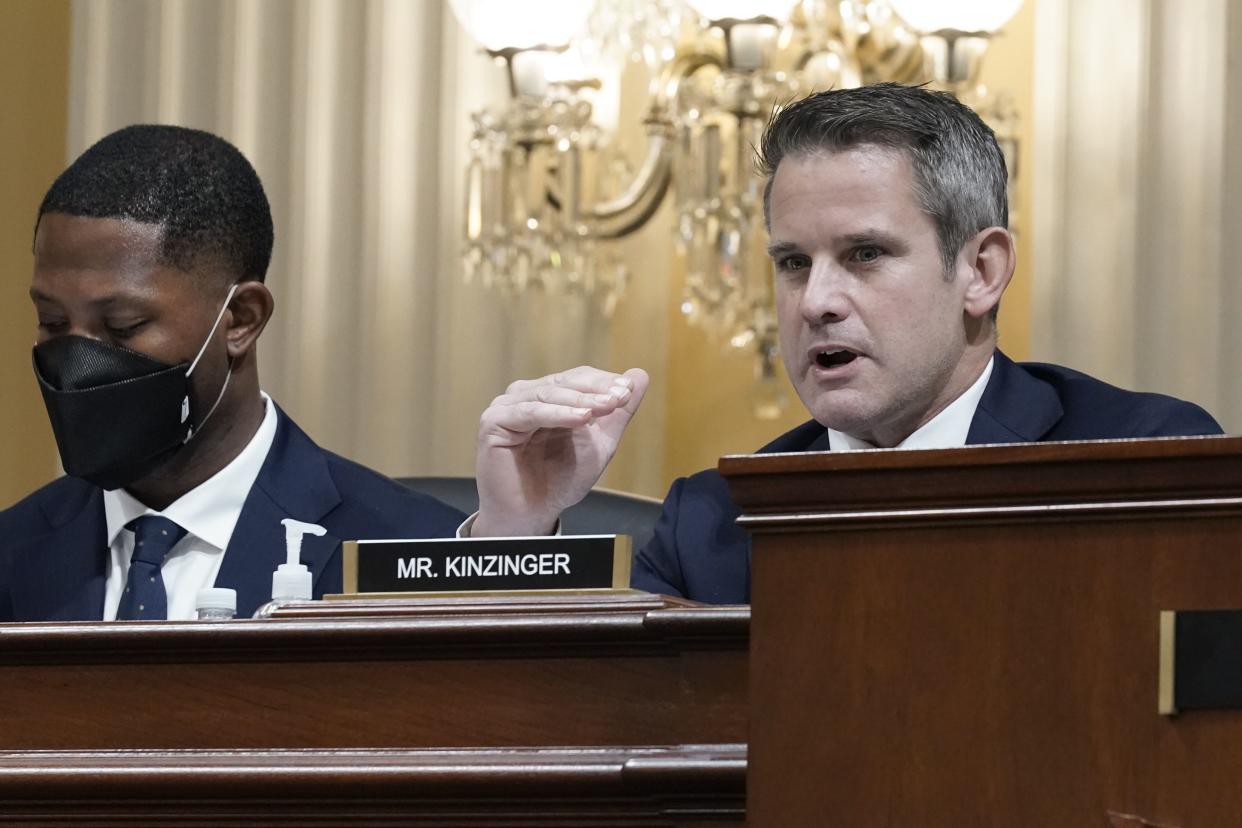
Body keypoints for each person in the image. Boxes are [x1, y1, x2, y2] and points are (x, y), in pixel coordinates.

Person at [470, 83, 1223, 603]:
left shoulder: (1140, 462)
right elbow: (576, 745)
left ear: (980, 271)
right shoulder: (712, 525)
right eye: (793, 263)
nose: (818, 302)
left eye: (865, 254)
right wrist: (516, 532)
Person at [0, 125, 463, 622]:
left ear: (241, 318)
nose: (79, 363)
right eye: (52, 321)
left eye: (122, 326)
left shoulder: (409, 548)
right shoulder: (12, 551)